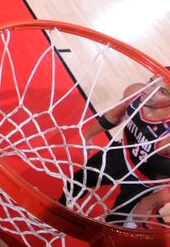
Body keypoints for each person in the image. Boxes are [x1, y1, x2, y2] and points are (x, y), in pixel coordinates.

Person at [60, 78, 170, 226]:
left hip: (147, 181)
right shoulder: (135, 92)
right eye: (151, 81)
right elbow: (114, 116)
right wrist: (88, 135)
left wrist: (153, 201)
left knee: (118, 224)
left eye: (162, 91)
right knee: (78, 180)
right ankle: (59, 208)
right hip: (122, 153)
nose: (149, 90)